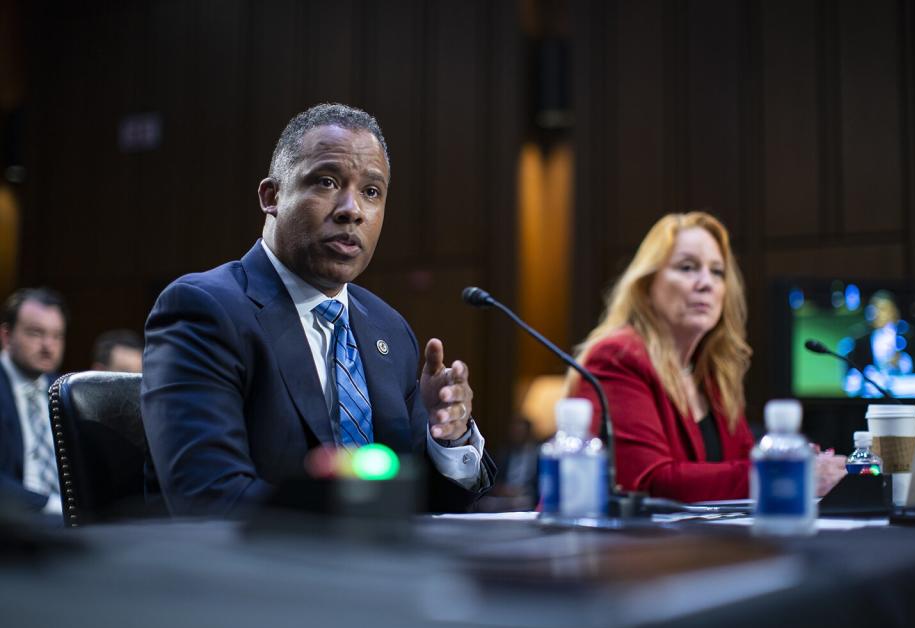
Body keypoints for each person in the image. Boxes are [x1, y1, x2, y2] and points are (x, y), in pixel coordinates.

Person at [142, 103, 494, 517]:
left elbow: (424, 501)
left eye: (371, 192)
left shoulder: (389, 329)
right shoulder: (205, 310)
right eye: (327, 182)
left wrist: (447, 438)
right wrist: (349, 532)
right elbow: (208, 498)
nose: (352, 210)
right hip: (262, 576)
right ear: (272, 197)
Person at [568, 212, 846, 502]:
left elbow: (741, 462)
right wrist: (785, 473)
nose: (706, 283)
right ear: (647, 286)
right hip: (620, 545)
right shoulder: (619, 356)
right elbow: (651, 482)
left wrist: (795, 459)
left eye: (717, 272)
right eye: (687, 267)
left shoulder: (711, 372)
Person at [0, 287, 68, 514]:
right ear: (6, 336)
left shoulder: (67, 390)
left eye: (57, 336)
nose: (49, 346)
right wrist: (50, 506)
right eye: (36, 333)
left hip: (69, 521)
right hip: (14, 520)